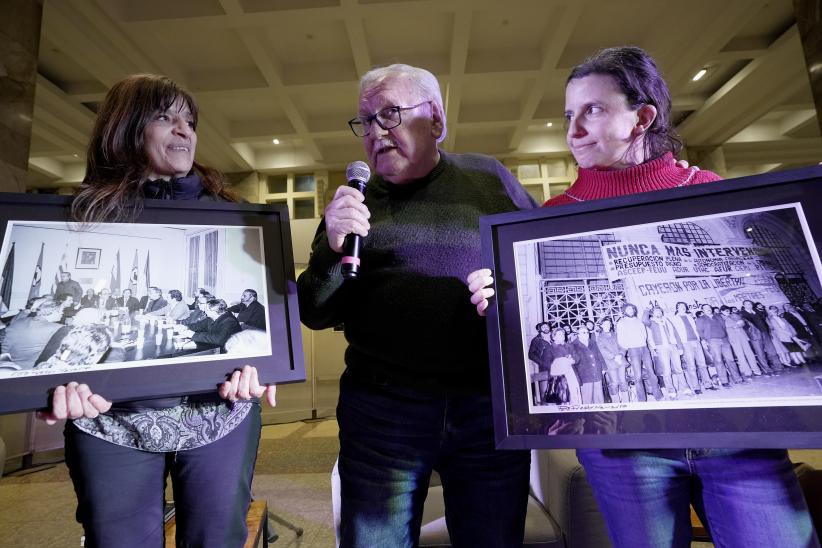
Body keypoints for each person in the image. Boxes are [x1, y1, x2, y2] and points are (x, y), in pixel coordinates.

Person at [469, 46, 818, 548]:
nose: (573, 129)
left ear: (643, 117)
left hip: (740, 440)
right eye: (569, 114)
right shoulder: (551, 219)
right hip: (624, 451)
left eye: (592, 109)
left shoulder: (711, 191)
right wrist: (498, 302)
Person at [298, 63, 534, 546]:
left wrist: (508, 289)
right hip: (383, 412)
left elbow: (536, 263)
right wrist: (334, 248)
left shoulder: (489, 178)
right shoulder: (352, 203)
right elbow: (315, 312)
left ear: (437, 121)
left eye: (390, 114)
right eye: (365, 121)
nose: (374, 132)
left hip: (486, 407)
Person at [37, 74, 276, 548]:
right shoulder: (78, 220)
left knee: (217, 538)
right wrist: (52, 384)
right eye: (165, 117)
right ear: (125, 128)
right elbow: (54, 352)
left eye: (190, 120)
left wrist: (264, 361)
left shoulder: (236, 217)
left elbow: (271, 325)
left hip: (219, 413)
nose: (184, 130)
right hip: (108, 418)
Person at [615, 302, 662, 401]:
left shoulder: (639, 321)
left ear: (634, 310)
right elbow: (621, 339)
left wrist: (644, 343)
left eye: (632, 309)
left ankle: (658, 396)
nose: (630, 311)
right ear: (624, 311)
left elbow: (644, 334)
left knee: (651, 372)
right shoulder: (621, 322)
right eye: (628, 309)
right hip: (633, 350)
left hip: (644, 348)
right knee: (638, 376)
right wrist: (626, 348)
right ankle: (642, 400)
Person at [696, 303, 745, 386]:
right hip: (713, 341)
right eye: (706, 308)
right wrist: (705, 339)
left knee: (731, 360)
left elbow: (723, 327)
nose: (708, 309)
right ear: (703, 310)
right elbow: (700, 331)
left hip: (724, 339)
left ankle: (738, 379)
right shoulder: (701, 319)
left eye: (709, 307)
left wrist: (725, 336)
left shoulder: (718, 316)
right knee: (718, 361)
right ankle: (724, 381)